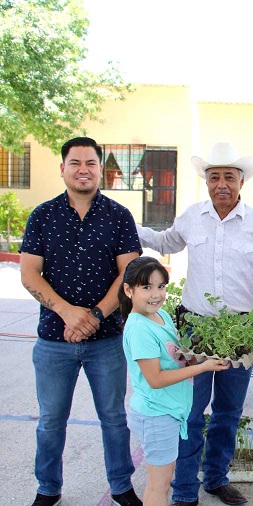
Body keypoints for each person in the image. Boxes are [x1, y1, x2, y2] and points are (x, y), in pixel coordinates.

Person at [136, 141, 253, 506]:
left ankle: (216, 478)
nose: (222, 184)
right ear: (206, 181)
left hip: (242, 332)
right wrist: (129, 225)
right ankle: (185, 490)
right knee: (190, 412)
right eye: (214, 176)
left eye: (229, 177)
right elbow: (165, 242)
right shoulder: (192, 216)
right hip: (196, 331)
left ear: (241, 181)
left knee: (228, 411)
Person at [20, 137, 143, 506]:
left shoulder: (119, 216)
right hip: (53, 340)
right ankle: (48, 489)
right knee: (50, 421)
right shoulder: (42, 215)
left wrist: (94, 315)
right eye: (75, 163)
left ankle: (121, 487)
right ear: (63, 168)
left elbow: (129, 274)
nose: (83, 170)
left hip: (107, 341)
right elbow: (29, 273)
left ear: (100, 170)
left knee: (114, 418)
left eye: (90, 163)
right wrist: (68, 312)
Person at [119, 257, 230, 505]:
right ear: (128, 290)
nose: (156, 294)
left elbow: (176, 357)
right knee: (158, 488)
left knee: (163, 481)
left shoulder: (161, 316)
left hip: (168, 412)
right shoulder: (139, 328)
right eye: (146, 287)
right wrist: (202, 368)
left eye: (161, 286)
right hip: (155, 416)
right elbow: (155, 379)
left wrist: (202, 357)